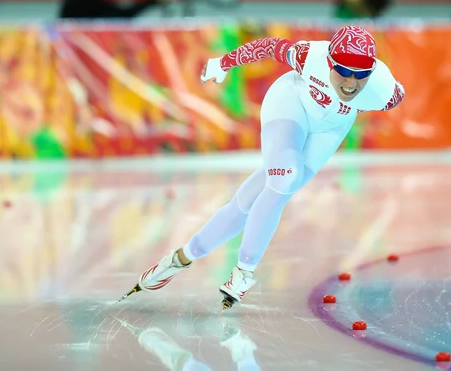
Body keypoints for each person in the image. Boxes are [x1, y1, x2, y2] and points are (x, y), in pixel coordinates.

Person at [118, 26, 405, 309]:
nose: (351, 83)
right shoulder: (309, 57)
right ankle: (244, 272)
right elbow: (266, 46)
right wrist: (223, 63)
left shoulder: (386, 92)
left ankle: (181, 257)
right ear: (329, 62)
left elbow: (377, 90)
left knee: (255, 197)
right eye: (343, 71)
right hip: (290, 103)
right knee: (284, 179)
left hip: (329, 130)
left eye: (362, 74)